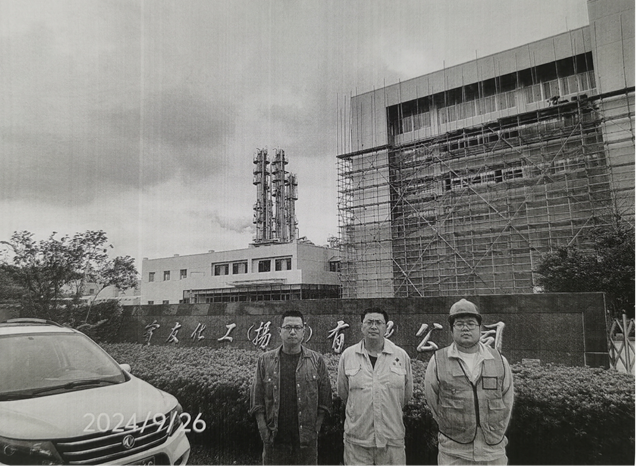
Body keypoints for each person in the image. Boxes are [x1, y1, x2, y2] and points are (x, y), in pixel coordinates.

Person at [424, 299, 514, 466]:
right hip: (454, 452)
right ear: (451, 329)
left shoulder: (499, 360)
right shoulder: (438, 360)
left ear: (480, 328)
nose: (465, 328)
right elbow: (433, 401)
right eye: (459, 324)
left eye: (471, 323)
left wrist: (496, 431)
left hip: (492, 451)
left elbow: (507, 402)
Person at [250, 310, 332, 466]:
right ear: (279, 331)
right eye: (288, 327)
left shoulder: (316, 360)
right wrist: (263, 430)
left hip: (306, 441)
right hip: (275, 439)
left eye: (297, 327)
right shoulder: (265, 360)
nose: (292, 332)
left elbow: (325, 399)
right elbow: (257, 398)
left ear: (304, 331)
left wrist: (316, 429)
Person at [337, 308, 413, 466]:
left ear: (386, 327)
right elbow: (344, 393)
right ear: (361, 327)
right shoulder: (348, 356)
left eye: (378, 323)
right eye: (369, 322)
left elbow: (405, 396)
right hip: (357, 441)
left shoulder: (401, 356)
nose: (373, 326)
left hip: (392, 440)